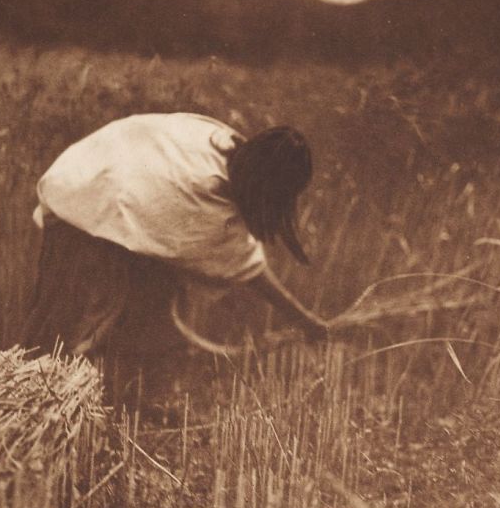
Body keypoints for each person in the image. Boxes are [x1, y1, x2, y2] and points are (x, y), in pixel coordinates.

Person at [22, 112, 328, 400]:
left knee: (143, 309)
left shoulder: (218, 141)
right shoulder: (199, 194)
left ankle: (112, 400)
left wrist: (304, 319)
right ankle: (46, 400)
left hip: (86, 173)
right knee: (74, 326)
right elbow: (247, 269)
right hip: (84, 204)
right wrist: (303, 319)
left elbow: (245, 261)